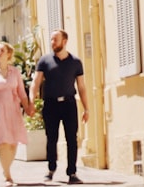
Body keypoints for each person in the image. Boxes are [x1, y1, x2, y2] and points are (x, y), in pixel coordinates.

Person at [30, 29, 89, 185]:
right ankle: (51, 169)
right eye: (51, 39)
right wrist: (31, 101)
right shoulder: (44, 61)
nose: (52, 42)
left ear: (64, 41)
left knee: (72, 139)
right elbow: (35, 83)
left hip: (69, 104)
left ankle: (72, 172)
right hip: (50, 104)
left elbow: (82, 87)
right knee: (51, 138)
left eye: (55, 39)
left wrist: (86, 108)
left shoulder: (75, 62)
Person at [0, 41, 35, 187]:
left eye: (2, 50)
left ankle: (6, 169)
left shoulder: (15, 72)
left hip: (13, 110)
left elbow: (22, 94)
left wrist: (28, 108)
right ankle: (8, 176)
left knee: (13, 142)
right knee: (3, 142)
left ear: (8, 54)